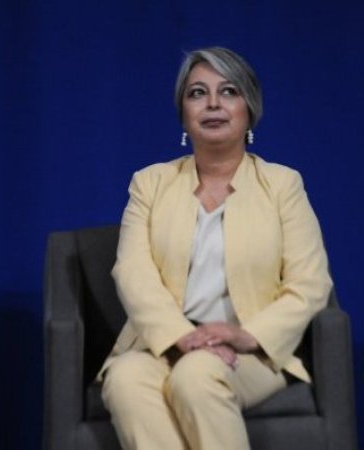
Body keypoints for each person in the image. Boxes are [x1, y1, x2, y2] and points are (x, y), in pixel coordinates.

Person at [98, 46, 332, 450]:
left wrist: (245, 336)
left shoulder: (283, 185)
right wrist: (181, 337)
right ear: (183, 113)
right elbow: (133, 273)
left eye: (228, 91)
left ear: (249, 109)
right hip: (164, 344)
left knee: (196, 375)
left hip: (251, 353)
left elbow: (310, 284)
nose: (212, 104)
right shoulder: (150, 183)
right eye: (197, 93)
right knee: (124, 378)